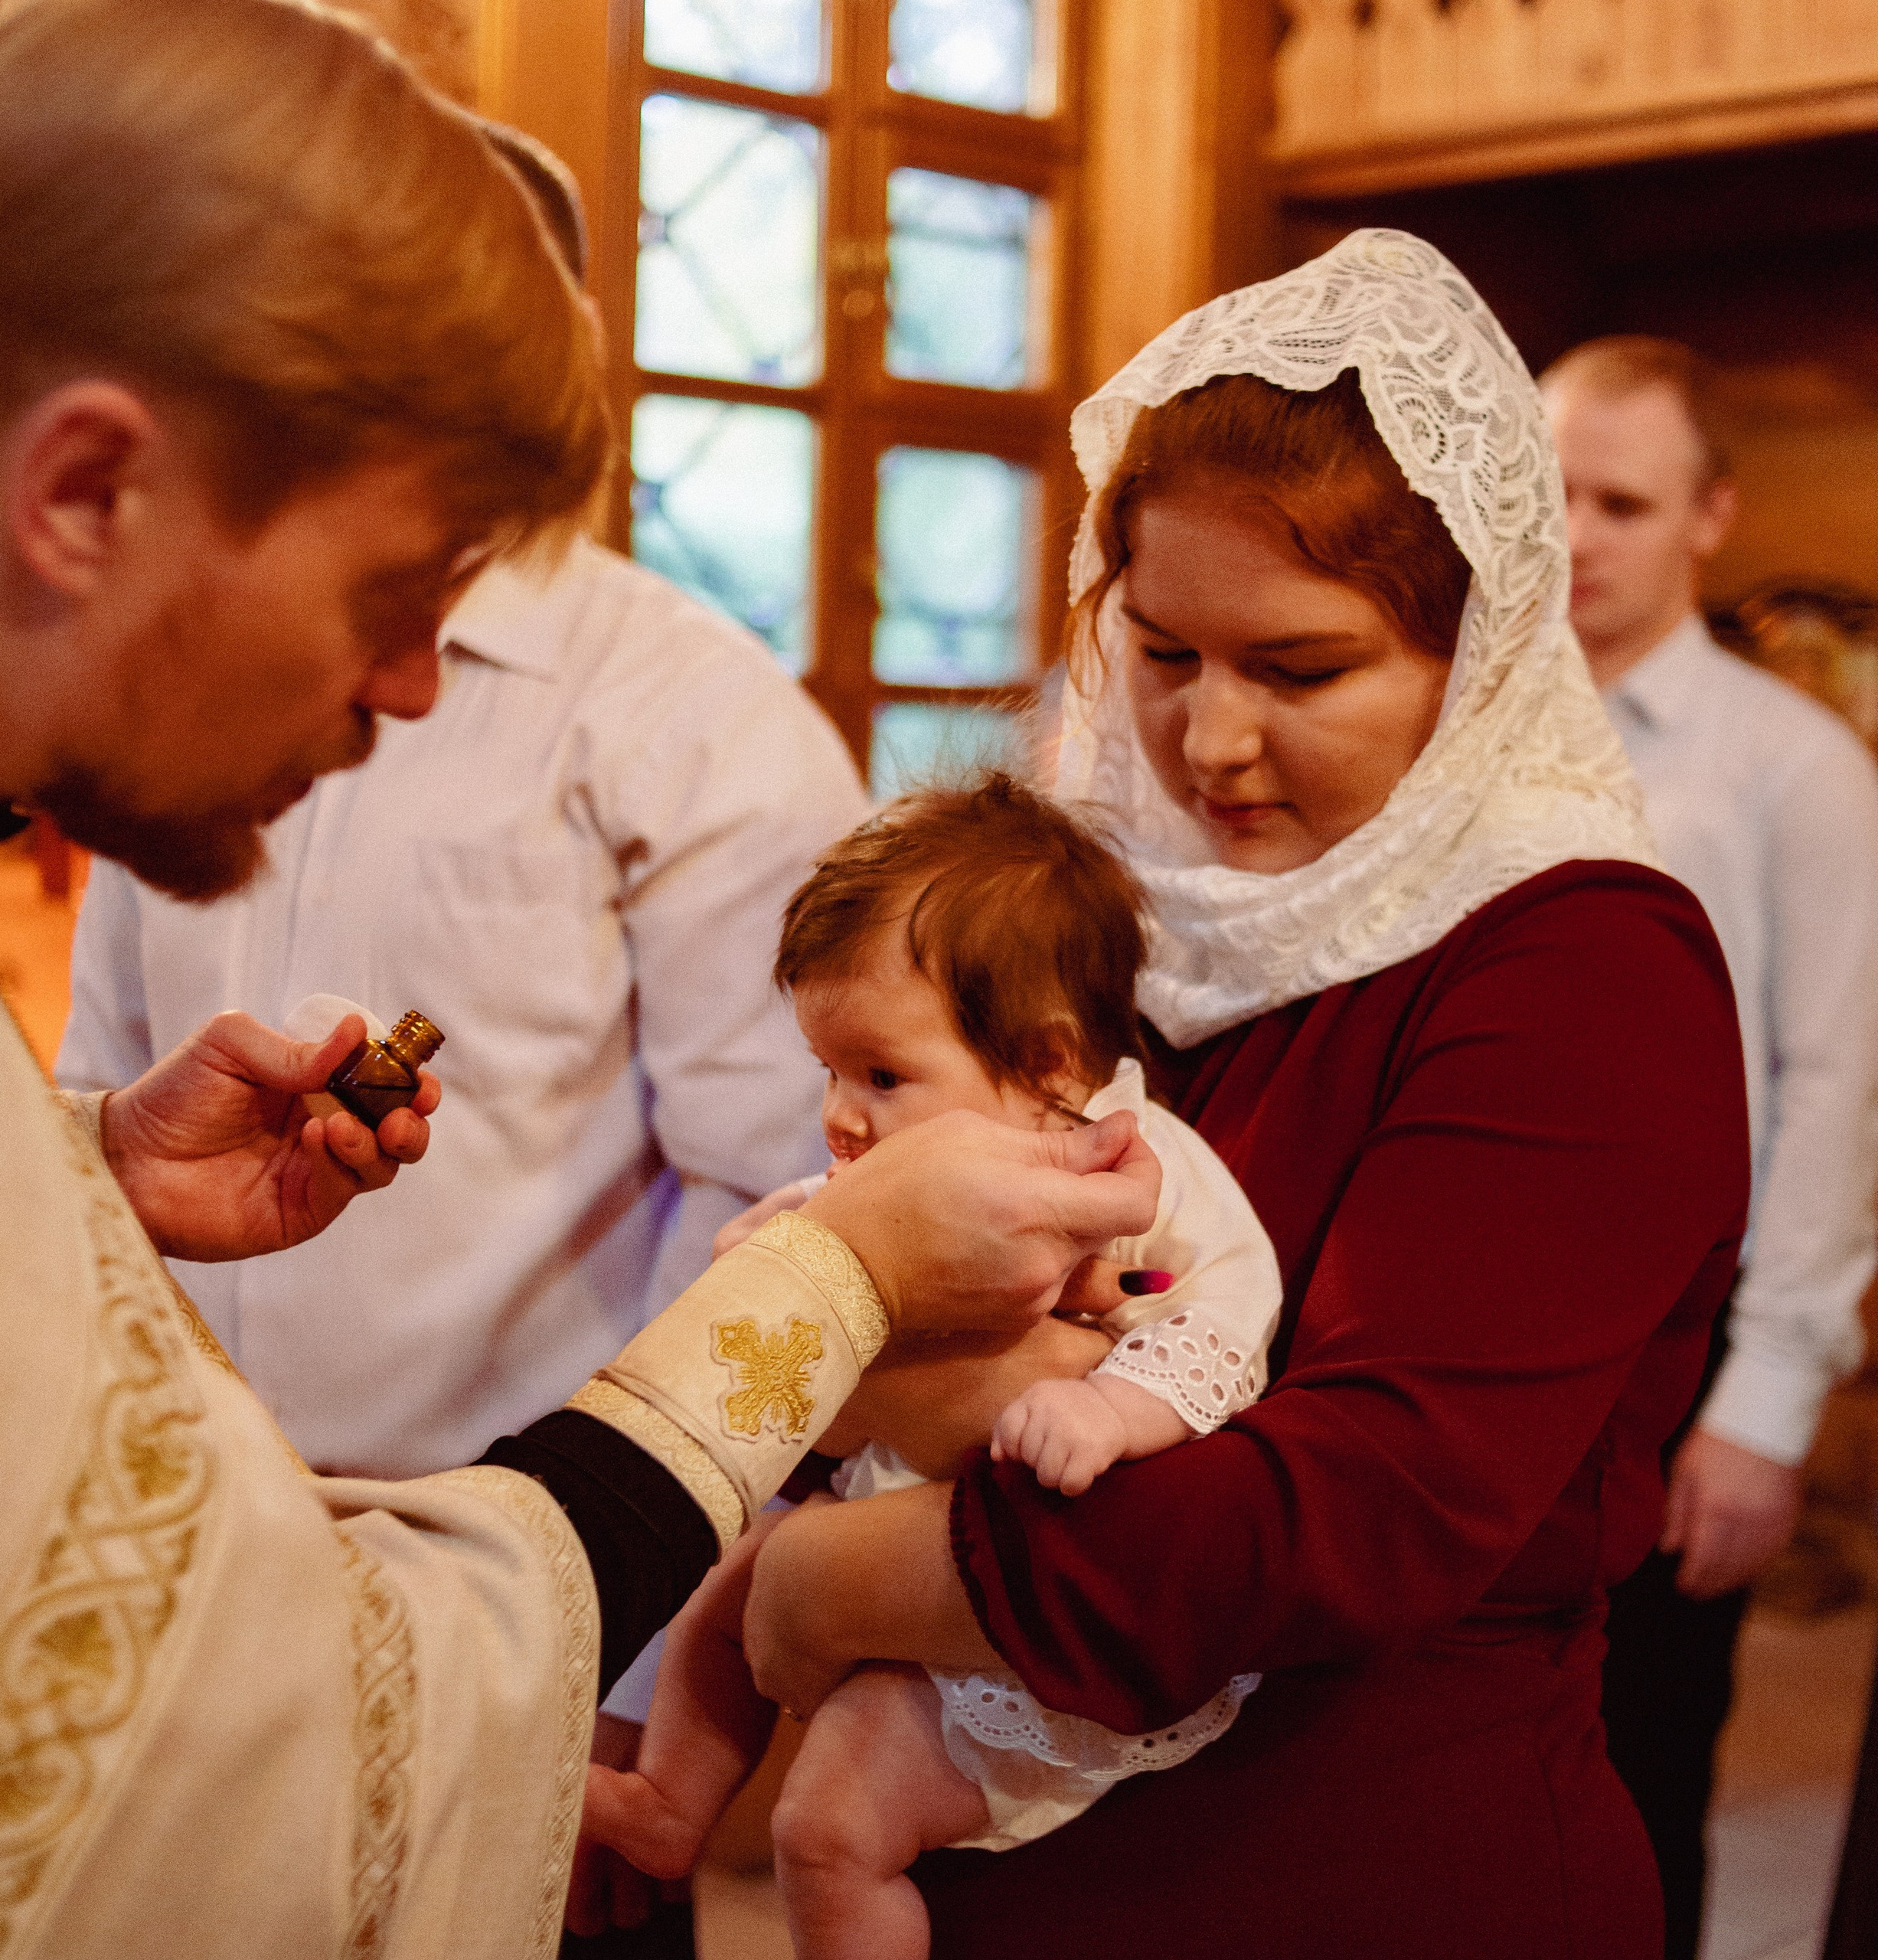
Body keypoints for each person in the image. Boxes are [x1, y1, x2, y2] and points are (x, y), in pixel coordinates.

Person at [0, 5, 1162, 1955]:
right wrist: (838, 1275)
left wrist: (85, 1167)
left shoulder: (676, 714)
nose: (418, 686)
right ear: (84, 494)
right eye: (387, 592)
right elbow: (222, 1736)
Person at [696, 230, 1753, 1960]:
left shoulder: (1580, 963)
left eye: (1300, 669)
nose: (1209, 742)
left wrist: (835, 1577)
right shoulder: (1108, 912)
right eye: (1163, 650)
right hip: (1006, 1851)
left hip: (1357, 1866)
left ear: (1476, 652)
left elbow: (1353, 1514)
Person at [52, 122, 867, 1952]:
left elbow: (773, 1210)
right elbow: (91, 1098)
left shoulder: (688, 718)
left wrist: (623, 1684)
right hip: (193, 1589)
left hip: (530, 1588)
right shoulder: (174, 677)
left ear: (549, 344)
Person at [581, 776, 1282, 1958]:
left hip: (1027, 1586)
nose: (840, 1115)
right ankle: (668, 1802)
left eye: (881, 1075)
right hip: (888, 1532)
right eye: (827, 1070)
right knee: (727, 1598)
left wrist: (1117, 1405)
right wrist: (779, 1259)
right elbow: (821, 1257)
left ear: (1049, 1064)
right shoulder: (897, 1167)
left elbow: (1227, 1304)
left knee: (829, 1830)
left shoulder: (1131, 1170)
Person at [1542, 335, 1878, 1959]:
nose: (1574, 536)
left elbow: (1835, 1086)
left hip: (1684, 1328)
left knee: (1634, 1779)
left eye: (1619, 502)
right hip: (1475, 1296)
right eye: (1548, 492)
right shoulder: (1437, 717)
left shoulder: (1794, 768)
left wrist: (1763, 1406)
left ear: (1710, 515)